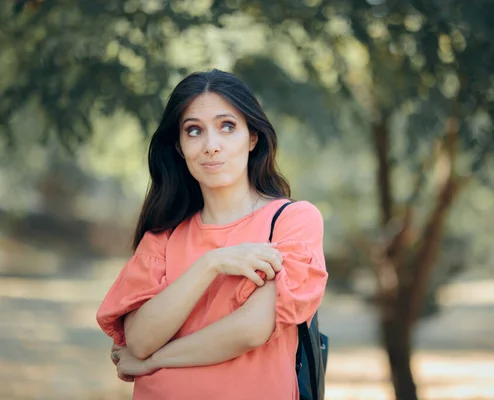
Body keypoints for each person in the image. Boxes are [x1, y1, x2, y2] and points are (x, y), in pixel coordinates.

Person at [96, 69, 328, 400]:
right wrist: (212, 264)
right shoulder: (164, 235)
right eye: (194, 131)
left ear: (252, 137)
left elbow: (251, 329)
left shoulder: (292, 220)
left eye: (227, 127)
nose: (211, 146)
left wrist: (155, 360)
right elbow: (140, 340)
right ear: (179, 146)